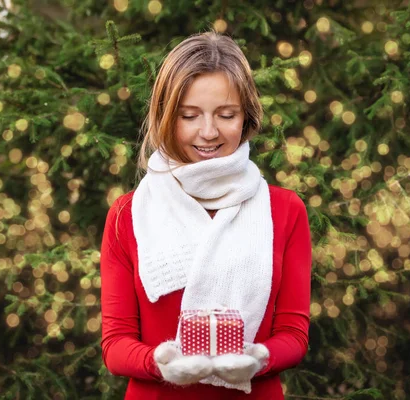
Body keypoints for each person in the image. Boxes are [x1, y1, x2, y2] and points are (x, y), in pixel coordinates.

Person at [100, 30, 312, 399]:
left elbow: (293, 334)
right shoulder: (128, 214)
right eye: (189, 116)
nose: (209, 132)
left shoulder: (285, 210)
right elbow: (116, 345)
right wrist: (160, 362)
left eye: (226, 114)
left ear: (246, 117)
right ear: (167, 117)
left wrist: (259, 357)